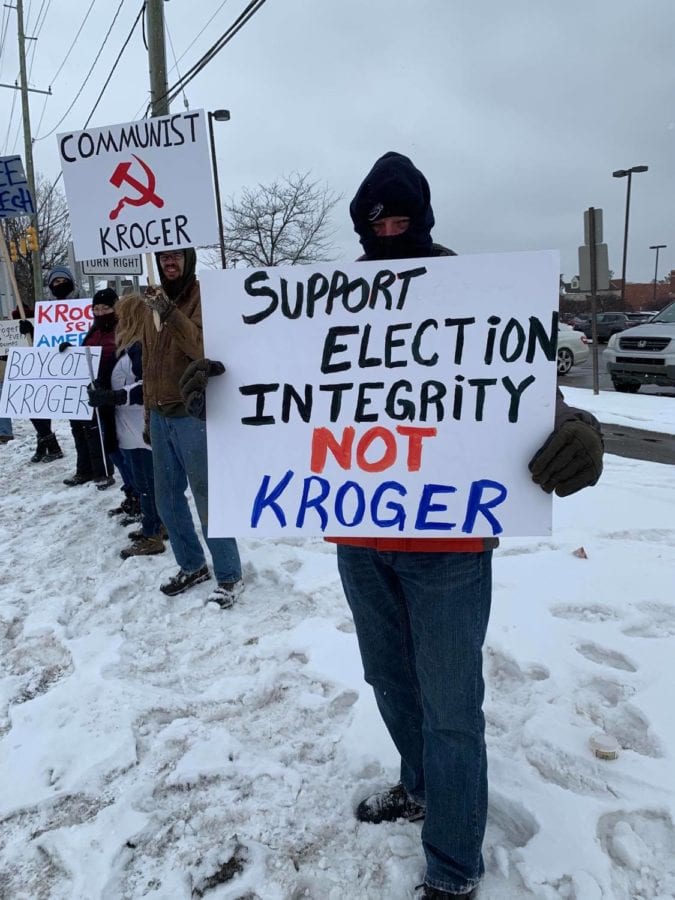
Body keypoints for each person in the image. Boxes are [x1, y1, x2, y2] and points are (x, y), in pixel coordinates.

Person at [178, 152, 605, 899]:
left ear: (425, 220)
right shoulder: (326, 305)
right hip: (360, 539)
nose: (388, 233)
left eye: (401, 221)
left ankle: (453, 865)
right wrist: (217, 394)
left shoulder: (474, 294)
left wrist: (582, 428)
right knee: (388, 679)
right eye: (376, 225)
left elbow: (517, 384)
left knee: (450, 708)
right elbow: (283, 387)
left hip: (449, 549)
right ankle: (420, 785)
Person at [141, 248, 243, 605]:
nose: (169, 263)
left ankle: (229, 573)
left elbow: (200, 347)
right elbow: (149, 362)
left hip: (190, 414)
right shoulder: (152, 299)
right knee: (167, 499)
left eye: (176, 257)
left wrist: (169, 312)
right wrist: (147, 413)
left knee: (207, 496)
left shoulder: (202, 296)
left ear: (189, 260)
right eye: (163, 258)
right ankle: (192, 564)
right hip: (160, 414)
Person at [87, 293, 166, 560]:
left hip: (139, 428)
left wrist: (116, 396)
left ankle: (152, 533)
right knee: (144, 482)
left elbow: (149, 385)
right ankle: (156, 524)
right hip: (129, 428)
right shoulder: (130, 345)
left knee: (147, 484)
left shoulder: (139, 347)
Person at [62, 287, 118, 489]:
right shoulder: (93, 330)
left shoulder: (122, 329)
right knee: (80, 428)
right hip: (89, 387)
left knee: (99, 433)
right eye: (96, 309)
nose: (100, 313)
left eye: (106, 308)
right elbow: (85, 355)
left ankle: (103, 472)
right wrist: (69, 350)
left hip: (110, 389)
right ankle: (84, 470)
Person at [13, 274, 66, 462]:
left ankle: (52, 446)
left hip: (57, 362)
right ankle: (45, 444)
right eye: (56, 281)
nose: (60, 285)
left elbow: (51, 337)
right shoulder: (45, 310)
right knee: (34, 405)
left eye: (63, 281)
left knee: (39, 406)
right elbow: (44, 338)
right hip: (35, 363)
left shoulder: (78, 305)